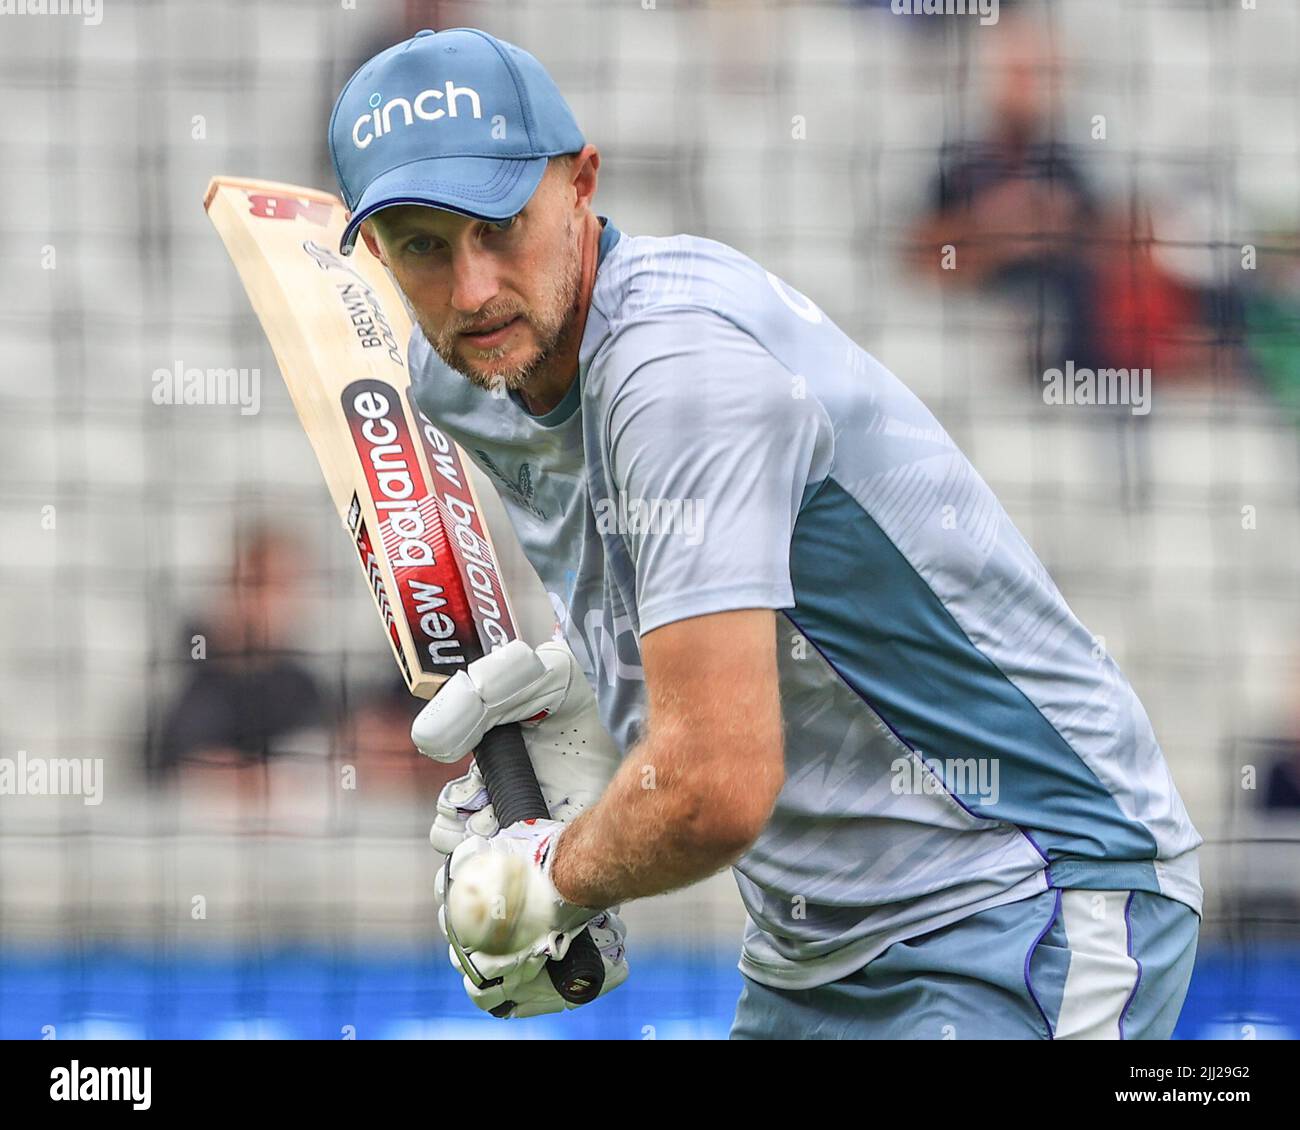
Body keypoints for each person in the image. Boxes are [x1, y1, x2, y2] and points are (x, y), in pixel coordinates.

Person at [327, 27, 1203, 1037]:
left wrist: (545, 880)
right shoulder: (470, 374)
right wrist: (590, 701)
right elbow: (708, 593)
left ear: (582, 184)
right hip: (812, 945)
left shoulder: (678, 374)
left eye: (500, 226)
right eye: (424, 245)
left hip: (1030, 884)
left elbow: (715, 785)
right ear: (378, 252)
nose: (472, 288)